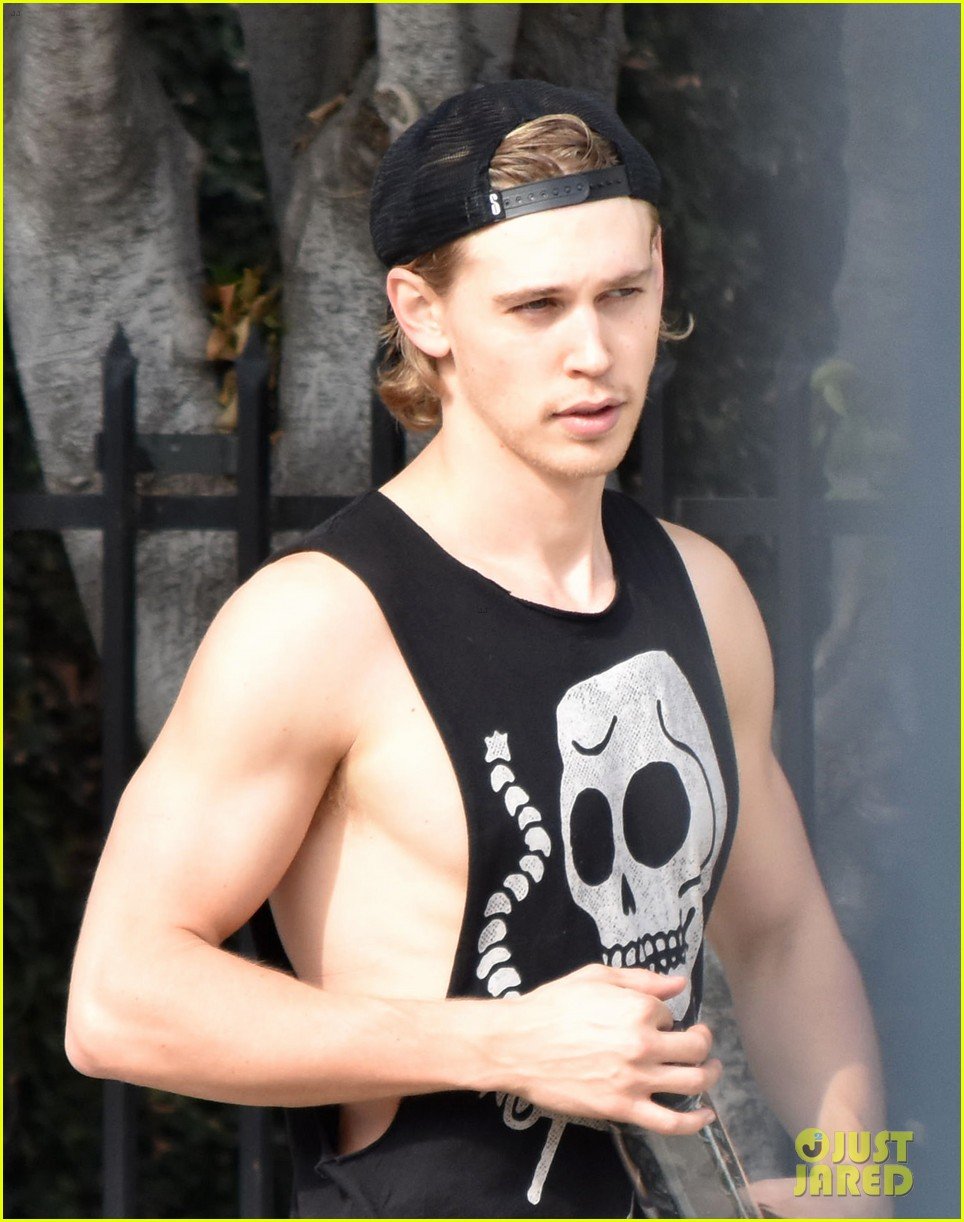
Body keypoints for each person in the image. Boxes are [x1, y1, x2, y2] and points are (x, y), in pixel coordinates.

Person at [66, 80, 884, 1218]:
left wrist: (864, 1185)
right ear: (423, 312)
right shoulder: (320, 621)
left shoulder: (702, 592)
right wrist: (503, 1041)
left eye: (623, 293)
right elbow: (117, 999)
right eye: (536, 306)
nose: (594, 352)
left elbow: (783, 934)